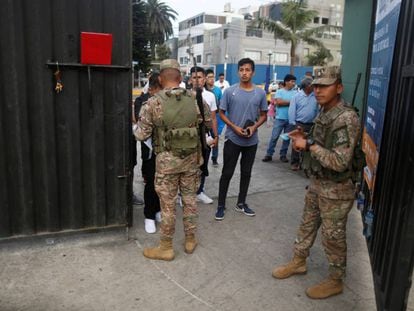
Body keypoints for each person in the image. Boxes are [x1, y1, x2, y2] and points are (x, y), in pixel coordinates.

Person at [272, 66, 360, 299]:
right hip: (318, 182)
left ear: (339, 88)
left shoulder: (346, 118)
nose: (318, 90)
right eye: (317, 85)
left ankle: (335, 280)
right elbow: (322, 142)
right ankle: (299, 261)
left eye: (325, 86)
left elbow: (340, 161)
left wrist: (309, 146)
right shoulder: (325, 112)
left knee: (333, 236)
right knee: (307, 224)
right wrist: (305, 136)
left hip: (337, 188)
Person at [135, 59, 212, 261]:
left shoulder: (152, 102)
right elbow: (208, 121)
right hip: (191, 161)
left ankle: (166, 247)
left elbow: (141, 135)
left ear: (160, 79)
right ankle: (190, 240)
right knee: (189, 201)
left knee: (167, 205)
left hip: (166, 164)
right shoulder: (196, 98)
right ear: (180, 78)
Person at [215, 58, 267, 220]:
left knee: (246, 172)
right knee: (227, 173)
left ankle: (241, 203)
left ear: (253, 72)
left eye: (248, 70)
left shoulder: (260, 92)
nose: (244, 73)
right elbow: (221, 113)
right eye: (242, 70)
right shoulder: (230, 91)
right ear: (238, 72)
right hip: (232, 138)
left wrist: (254, 127)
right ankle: (221, 205)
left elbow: (264, 115)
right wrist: (234, 127)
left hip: (251, 141)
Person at [134, 73, 162, 234]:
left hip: (164, 150)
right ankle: (149, 215)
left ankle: (158, 210)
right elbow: (142, 122)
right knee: (150, 182)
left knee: (162, 183)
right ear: (152, 89)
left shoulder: (166, 100)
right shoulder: (142, 101)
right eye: (160, 89)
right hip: (150, 149)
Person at [190, 66, 218, 204]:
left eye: (199, 77)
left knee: (203, 165)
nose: (197, 80)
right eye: (194, 77)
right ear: (190, 79)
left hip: (205, 137)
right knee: (189, 167)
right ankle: (186, 194)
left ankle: (200, 191)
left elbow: (213, 118)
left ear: (204, 79)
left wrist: (215, 136)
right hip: (188, 138)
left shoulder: (210, 96)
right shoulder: (184, 95)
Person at [262, 74, 297, 163]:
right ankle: (269, 154)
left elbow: (293, 103)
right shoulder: (279, 92)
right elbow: (278, 102)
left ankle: (283, 155)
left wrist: (287, 102)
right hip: (279, 118)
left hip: (290, 119)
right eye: (292, 81)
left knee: (286, 139)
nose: (293, 84)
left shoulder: (295, 93)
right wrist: (292, 102)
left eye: (294, 82)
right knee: (274, 137)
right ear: (286, 82)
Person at [287, 76, 319, 171]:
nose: (313, 87)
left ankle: (306, 163)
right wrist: (293, 124)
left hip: (312, 124)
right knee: (297, 144)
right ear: (306, 86)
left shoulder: (315, 96)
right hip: (299, 124)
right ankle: (295, 162)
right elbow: (292, 110)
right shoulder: (297, 96)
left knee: (309, 144)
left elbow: (318, 110)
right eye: (311, 85)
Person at [205, 69, 225, 165]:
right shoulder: (203, 91)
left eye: (213, 77)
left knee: (215, 137)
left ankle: (214, 157)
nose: (212, 79)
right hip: (205, 118)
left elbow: (221, 105)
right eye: (209, 77)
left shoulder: (218, 90)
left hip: (215, 116)